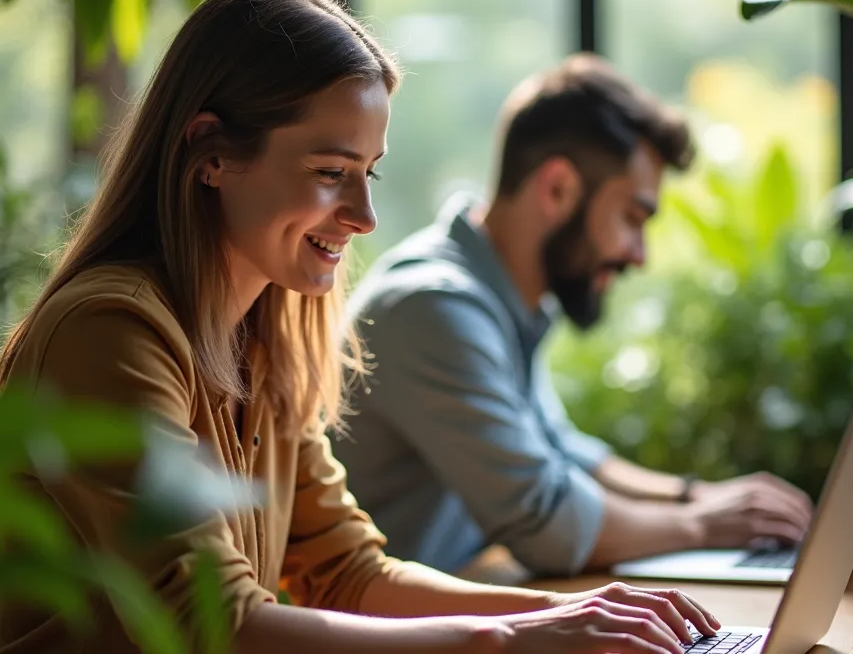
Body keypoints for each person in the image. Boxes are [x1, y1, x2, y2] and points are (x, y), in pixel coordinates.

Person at [0, 0, 720, 652]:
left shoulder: (264, 341)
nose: (364, 216)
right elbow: (213, 619)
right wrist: (506, 638)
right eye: (331, 174)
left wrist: (573, 614)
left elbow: (346, 572)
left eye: (369, 174)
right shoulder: (108, 332)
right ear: (210, 153)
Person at [336, 54, 815, 578]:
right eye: (633, 217)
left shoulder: (497, 298)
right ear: (557, 188)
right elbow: (549, 525)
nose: (640, 255)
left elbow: (565, 453)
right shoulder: (433, 307)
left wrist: (697, 497)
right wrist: (706, 523)